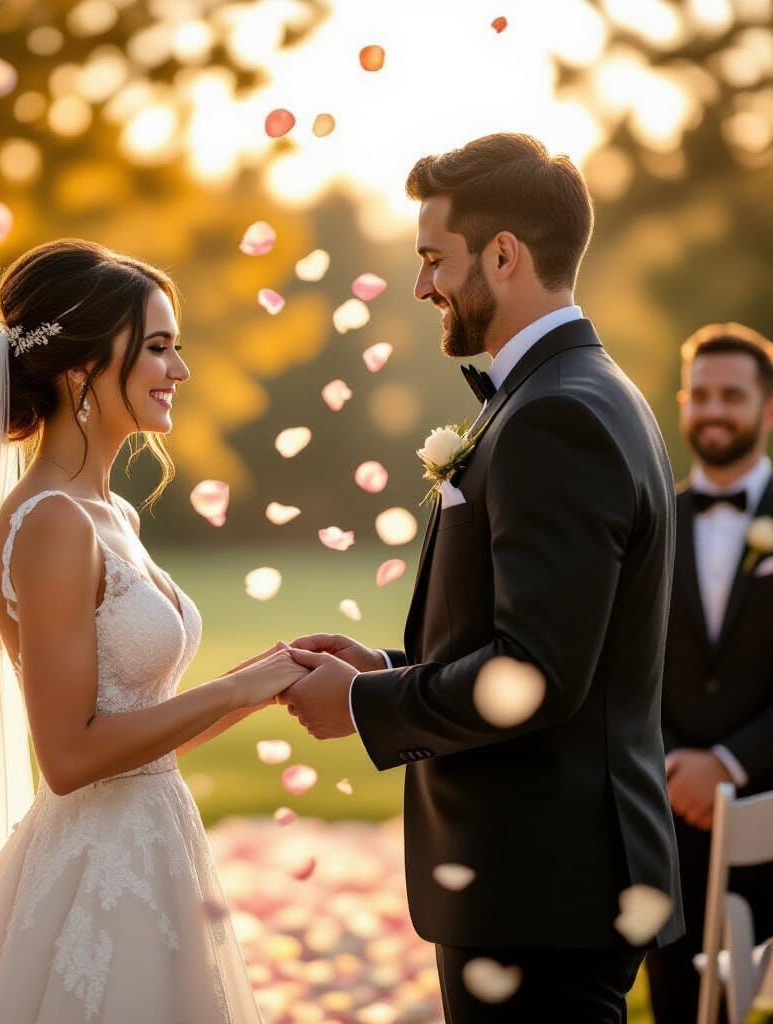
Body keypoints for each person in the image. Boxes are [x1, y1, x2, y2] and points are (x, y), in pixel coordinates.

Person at [0, 239, 304, 1023]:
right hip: (96, 874)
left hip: (156, 845)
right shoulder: (52, 523)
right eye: (160, 348)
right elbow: (70, 756)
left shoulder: (116, 516)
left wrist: (270, 679)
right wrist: (237, 686)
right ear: (81, 369)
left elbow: (141, 736)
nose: (181, 371)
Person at [280, 134, 684, 1022]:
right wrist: (389, 665)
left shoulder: (558, 415)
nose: (423, 286)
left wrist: (363, 707)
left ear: (504, 254)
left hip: (540, 887)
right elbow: (534, 638)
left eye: (434, 259)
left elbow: (535, 677)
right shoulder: (575, 391)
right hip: (548, 885)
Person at [646, 323, 773, 1024]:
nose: (714, 409)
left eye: (732, 394)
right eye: (700, 395)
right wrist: (671, 763)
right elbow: (616, 665)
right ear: (683, 405)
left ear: (768, 409)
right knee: (682, 1008)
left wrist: (729, 763)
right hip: (669, 825)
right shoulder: (649, 518)